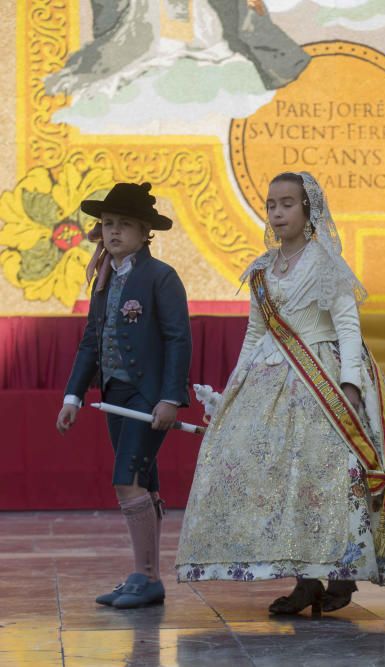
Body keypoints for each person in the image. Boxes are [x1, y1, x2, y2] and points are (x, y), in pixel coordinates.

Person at [175, 172, 385, 615]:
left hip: (324, 380)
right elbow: (254, 335)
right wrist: (234, 390)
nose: (277, 212)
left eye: (287, 203)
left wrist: (350, 384)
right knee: (284, 484)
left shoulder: (325, 263)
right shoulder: (260, 270)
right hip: (270, 382)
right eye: (272, 204)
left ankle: (342, 573)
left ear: (308, 209)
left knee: (329, 480)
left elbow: (348, 326)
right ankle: (305, 579)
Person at [56, 182, 192, 609]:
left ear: (145, 232)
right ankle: (145, 574)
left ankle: (148, 577)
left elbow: (178, 339)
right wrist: (73, 397)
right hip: (115, 394)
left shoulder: (161, 277)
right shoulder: (106, 277)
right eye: (107, 224)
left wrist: (170, 397)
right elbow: (90, 340)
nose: (113, 232)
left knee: (126, 478)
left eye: (124, 225)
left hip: (148, 396)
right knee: (143, 481)